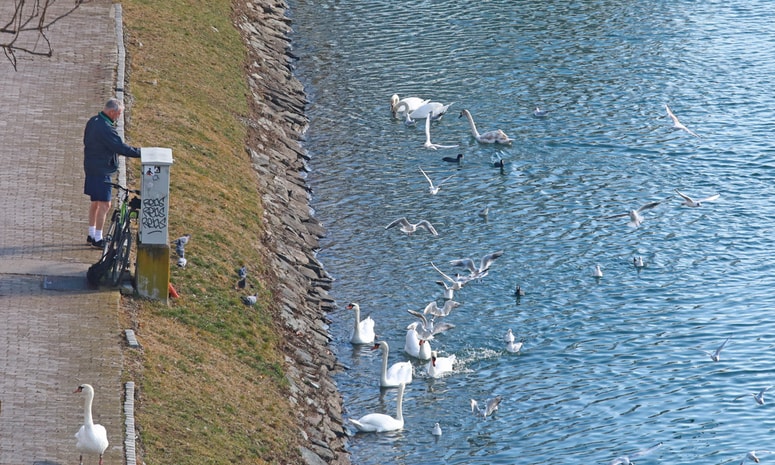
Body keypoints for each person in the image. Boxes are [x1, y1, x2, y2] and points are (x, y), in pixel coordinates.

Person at [83, 97, 141, 248]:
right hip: (102, 170)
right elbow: (120, 148)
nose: (119, 116)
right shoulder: (106, 128)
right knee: (105, 204)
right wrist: (141, 153)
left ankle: (91, 233)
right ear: (111, 112)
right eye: (119, 113)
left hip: (91, 166)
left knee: (95, 202)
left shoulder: (93, 121)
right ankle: (98, 238)